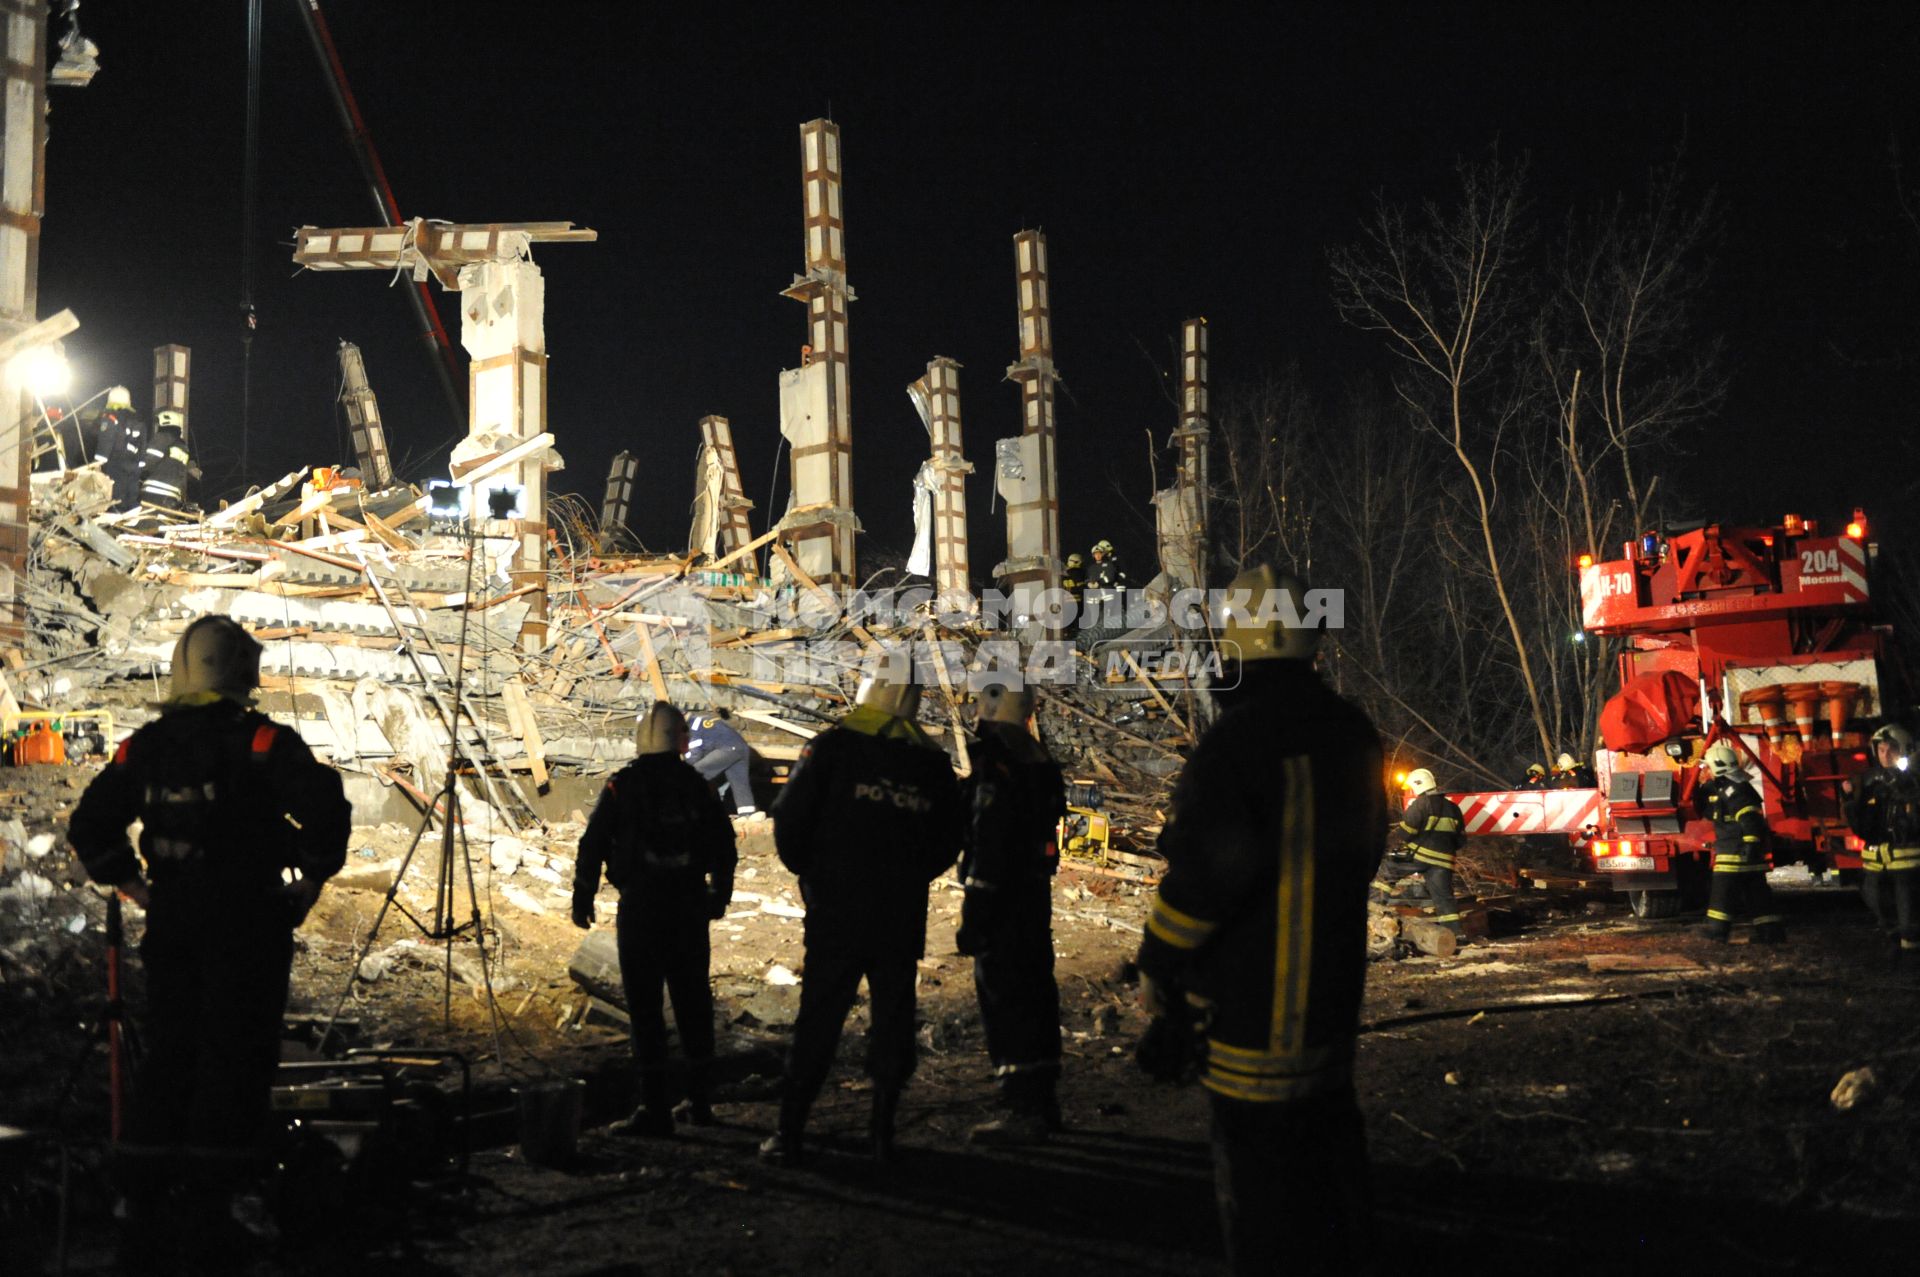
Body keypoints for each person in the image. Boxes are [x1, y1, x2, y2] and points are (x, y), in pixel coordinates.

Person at [67, 615, 350, 1262]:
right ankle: (214, 1207)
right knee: (236, 1055)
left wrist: (136, 888)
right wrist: (308, 881)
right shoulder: (264, 741)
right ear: (245, 671)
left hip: (175, 924)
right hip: (249, 924)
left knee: (171, 1051)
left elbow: (91, 824)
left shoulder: (145, 746)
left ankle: (144, 1201)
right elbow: (328, 811)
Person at [1134, 564, 1384, 1276]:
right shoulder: (1353, 733)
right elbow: (1366, 855)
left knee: (1265, 1199)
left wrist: (1158, 958)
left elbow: (1205, 877)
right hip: (1332, 1009)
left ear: (1236, 644)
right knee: (1335, 1174)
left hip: (1252, 1022)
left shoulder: (1237, 743)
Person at [759, 665, 964, 1166]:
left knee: (820, 1017)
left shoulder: (832, 748)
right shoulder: (932, 765)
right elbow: (948, 841)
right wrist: (910, 877)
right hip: (899, 914)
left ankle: (789, 1132)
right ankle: (882, 1133)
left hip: (837, 910)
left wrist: (811, 875)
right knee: (893, 1018)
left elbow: (788, 820)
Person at [573, 702, 738, 1133]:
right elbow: (724, 846)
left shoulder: (621, 785)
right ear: (680, 740)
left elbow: (593, 843)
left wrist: (583, 896)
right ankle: (700, 1102)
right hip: (688, 908)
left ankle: (655, 1109)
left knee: (645, 1009)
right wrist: (719, 895)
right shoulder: (697, 786)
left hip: (641, 908)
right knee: (692, 1003)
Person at [956, 681, 1067, 1145]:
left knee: (1005, 995)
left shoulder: (996, 764)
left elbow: (989, 839)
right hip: (1032, 896)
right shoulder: (1039, 763)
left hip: (1001, 899)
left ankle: (1022, 1107)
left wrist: (975, 912)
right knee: (1035, 989)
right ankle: (1040, 1099)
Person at [1696, 741, 1786, 943]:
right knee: (1757, 895)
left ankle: (1716, 931)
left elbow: (1750, 819)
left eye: (1707, 767)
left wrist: (1750, 845)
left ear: (1718, 767)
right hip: (1743, 853)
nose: (1705, 770)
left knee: (1722, 894)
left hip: (1735, 854)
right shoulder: (1727, 788)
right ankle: (1770, 933)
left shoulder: (1735, 791)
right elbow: (1711, 812)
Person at [1843, 723, 1920, 954]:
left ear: (1905, 749)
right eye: (1881, 749)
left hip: (1907, 860)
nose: (1885, 755)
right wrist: (1849, 801)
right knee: (1880, 906)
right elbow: (1863, 827)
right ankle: (1895, 946)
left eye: (1892, 749)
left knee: (1909, 914)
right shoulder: (1869, 780)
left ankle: (1911, 957)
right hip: (1876, 862)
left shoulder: (1914, 779)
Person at [1394, 768, 1467, 935]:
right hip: (1444, 861)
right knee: (1444, 899)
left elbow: (1405, 833)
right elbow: (1461, 840)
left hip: (1419, 857)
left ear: (1418, 786)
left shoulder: (1419, 805)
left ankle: (1375, 908)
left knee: (1385, 873)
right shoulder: (1453, 808)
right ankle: (1455, 935)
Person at [685, 708, 759, 818]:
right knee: (739, 782)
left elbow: (695, 755)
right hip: (742, 748)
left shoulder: (693, 727)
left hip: (728, 749)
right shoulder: (702, 720)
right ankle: (747, 814)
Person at [92, 385, 148, 511]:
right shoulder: (139, 421)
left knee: (113, 504)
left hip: (114, 467)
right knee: (130, 503)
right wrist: (139, 467)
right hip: (133, 470)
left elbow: (105, 441)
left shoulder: (110, 418)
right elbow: (143, 446)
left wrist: (97, 465)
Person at [138, 411, 201, 514]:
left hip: (153, 494)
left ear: (164, 423)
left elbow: (148, 462)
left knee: (146, 525)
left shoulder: (162, 438)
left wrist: (134, 471)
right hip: (172, 496)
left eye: (159, 423)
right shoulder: (182, 446)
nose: (157, 426)